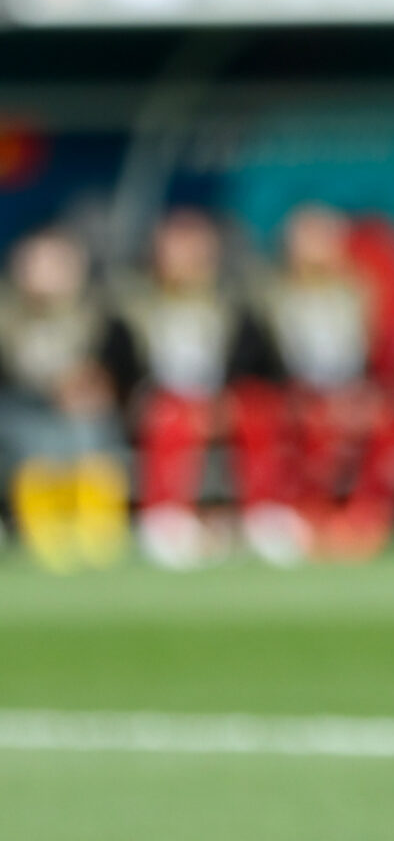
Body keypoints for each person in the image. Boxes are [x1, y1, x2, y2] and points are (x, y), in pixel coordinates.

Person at [236, 203, 394, 565]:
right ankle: (304, 515)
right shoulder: (269, 297)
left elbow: (386, 356)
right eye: (304, 242)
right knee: (298, 421)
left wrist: (368, 393)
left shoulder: (366, 293)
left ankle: (365, 519)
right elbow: (256, 363)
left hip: (353, 393)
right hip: (296, 398)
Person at [102, 208, 265, 570]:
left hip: (219, 399)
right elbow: (120, 364)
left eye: (195, 248)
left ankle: (262, 516)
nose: (186, 258)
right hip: (159, 400)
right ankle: (166, 519)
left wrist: (225, 399)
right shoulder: (133, 302)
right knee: (169, 418)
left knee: (259, 414)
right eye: (177, 248)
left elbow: (251, 361)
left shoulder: (231, 304)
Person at [0, 225, 127, 572]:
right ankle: (46, 533)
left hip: (80, 410)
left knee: (91, 434)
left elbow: (116, 365)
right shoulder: (8, 313)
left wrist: (94, 385)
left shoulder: (97, 313)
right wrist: (51, 388)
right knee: (37, 440)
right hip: (21, 408)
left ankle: (97, 532)